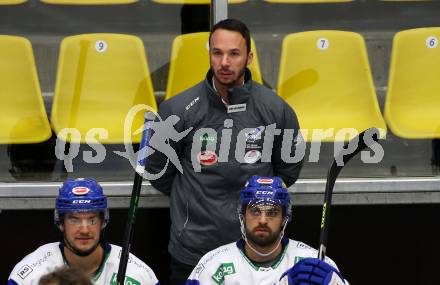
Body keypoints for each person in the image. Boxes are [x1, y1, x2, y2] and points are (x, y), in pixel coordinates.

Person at [145, 18, 303, 284]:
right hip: (193, 250)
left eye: (234, 53)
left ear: (249, 57)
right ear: (209, 54)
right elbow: (156, 169)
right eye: (217, 53)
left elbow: (288, 169)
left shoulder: (276, 109)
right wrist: (194, 197)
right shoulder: (176, 109)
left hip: (255, 254)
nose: (224, 62)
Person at [185, 176, 347, 285]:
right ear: (243, 216)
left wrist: (334, 281)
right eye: (255, 211)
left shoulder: (312, 261)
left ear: (284, 219)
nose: (262, 220)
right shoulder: (215, 264)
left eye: (272, 212)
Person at [8, 178, 159, 285]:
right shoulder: (29, 275)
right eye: (74, 220)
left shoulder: (137, 274)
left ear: (102, 222)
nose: (85, 229)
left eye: (92, 220)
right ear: (61, 223)